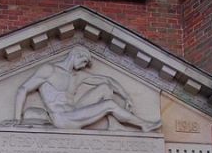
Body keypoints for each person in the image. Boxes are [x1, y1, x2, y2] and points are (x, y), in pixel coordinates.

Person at [14, 46, 161, 132]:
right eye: (84, 61)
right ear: (75, 55)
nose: (84, 65)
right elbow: (23, 89)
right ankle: (144, 125)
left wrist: (126, 96)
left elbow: (107, 80)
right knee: (109, 105)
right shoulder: (49, 70)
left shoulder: (76, 76)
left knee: (104, 88)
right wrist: (16, 118)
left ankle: (114, 124)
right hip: (62, 118)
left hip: (74, 112)